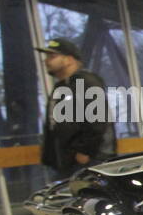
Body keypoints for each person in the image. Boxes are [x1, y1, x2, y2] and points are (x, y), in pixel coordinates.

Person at [37, 37, 114, 180]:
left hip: (88, 161)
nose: (47, 61)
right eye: (47, 57)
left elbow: (98, 118)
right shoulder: (60, 87)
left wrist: (85, 151)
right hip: (66, 162)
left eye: (52, 56)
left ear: (69, 60)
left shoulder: (86, 82)